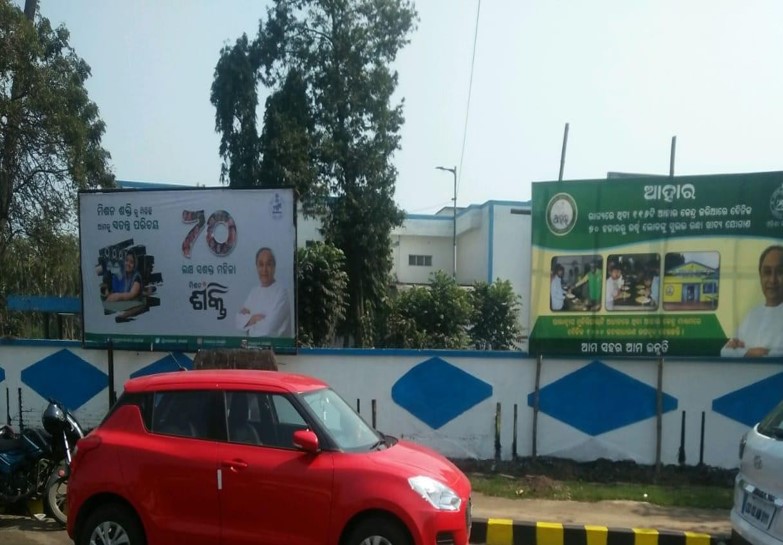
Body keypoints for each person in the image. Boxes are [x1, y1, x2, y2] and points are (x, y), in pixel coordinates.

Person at [721, 245, 783, 357]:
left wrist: (747, 353)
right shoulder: (752, 315)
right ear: (760, 276)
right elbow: (725, 352)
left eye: (780, 272)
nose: (772, 280)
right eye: (767, 272)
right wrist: (751, 352)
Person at [235, 247, 292, 337]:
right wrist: (254, 318)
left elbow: (268, 329)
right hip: (252, 345)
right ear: (257, 267)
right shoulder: (254, 292)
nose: (264, 270)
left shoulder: (282, 293)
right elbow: (238, 321)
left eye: (268, 264)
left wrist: (248, 326)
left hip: (275, 346)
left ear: (274, 267)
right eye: (261, 265)